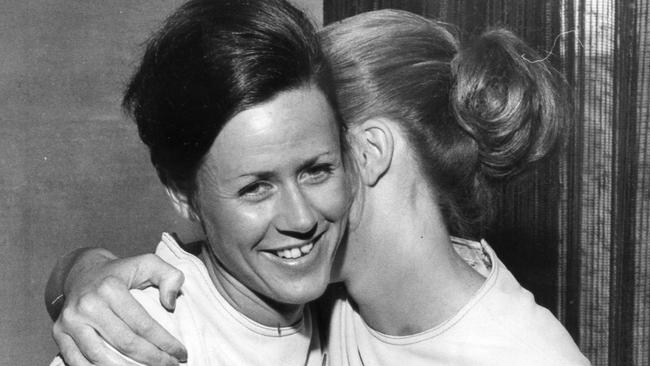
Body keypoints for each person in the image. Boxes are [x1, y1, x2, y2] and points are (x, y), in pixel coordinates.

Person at [48, 7, 591, 366]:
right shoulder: (318, 295)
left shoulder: (520, 352)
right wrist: (83, 272)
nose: (300, 217)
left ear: (364, 152)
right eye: (259, 181)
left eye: (315, 166)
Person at [49, 0, 352, 365]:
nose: (302, 219)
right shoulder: (139, 340)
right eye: (255, 188)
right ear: (182, 194)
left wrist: (77, 268)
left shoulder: (345, 291)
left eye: (316, 170)